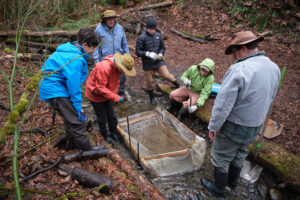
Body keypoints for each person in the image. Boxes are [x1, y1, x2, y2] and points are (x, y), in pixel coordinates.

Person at [201, 31, 281, 197]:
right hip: (255, 125)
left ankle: (219, 190)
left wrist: (214, 126)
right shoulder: (273, 67)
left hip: (234, 125)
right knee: (240, 153)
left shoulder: (239, 69)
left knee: (221, 156)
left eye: (234, 53)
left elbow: (223, 104)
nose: (234, 57)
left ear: (243, 48)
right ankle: (232, 183)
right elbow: (271, 96)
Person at [39, 28, 99, 151]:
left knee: (69, 117)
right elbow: (74, 87)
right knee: (77, 121)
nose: (94, 51)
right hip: (54, 89)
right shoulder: (75, 59)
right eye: (92, 48)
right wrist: (79, 108)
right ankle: (87, 151)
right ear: (84, 45)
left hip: (54, 86)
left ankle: (71, 145)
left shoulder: (71, 50)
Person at [85, 53, 136, 145]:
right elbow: (100, 87)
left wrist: (114, 95)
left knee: (112, 118)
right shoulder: (104, 68)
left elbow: (115, 82)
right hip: (95, 94)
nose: (123, 72)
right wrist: (115, 97)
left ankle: (112, 132)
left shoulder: (118, 69)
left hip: (107, 94)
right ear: (119, 64)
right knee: (102, 118)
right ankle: (105, 136)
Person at [135, 17, 180, 105]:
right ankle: (152, 98)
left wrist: (161, 54)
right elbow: (137, 52)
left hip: (158, 62)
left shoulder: (158, 35)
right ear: (147, 28)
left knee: (167, 75)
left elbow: (162, 47)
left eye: (153, 29)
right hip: (148, 64)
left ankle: (178, 85)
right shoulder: (142, 38)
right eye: (150, 29)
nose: (152, 31)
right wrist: (147, 53)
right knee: (149, 82)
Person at [93, 10, 129, 97]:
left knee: (121, 78)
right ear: (104, 20)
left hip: (119, 59)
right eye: (109, 19)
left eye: (113, 18)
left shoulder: (119, 28)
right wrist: (96, 61)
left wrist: (127, 57)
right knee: (107, 80)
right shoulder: (98, 29)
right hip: (105, 60)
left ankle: (120, 95)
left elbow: (124, 44)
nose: (111, 21)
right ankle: (107, 97)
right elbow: (95, 46)